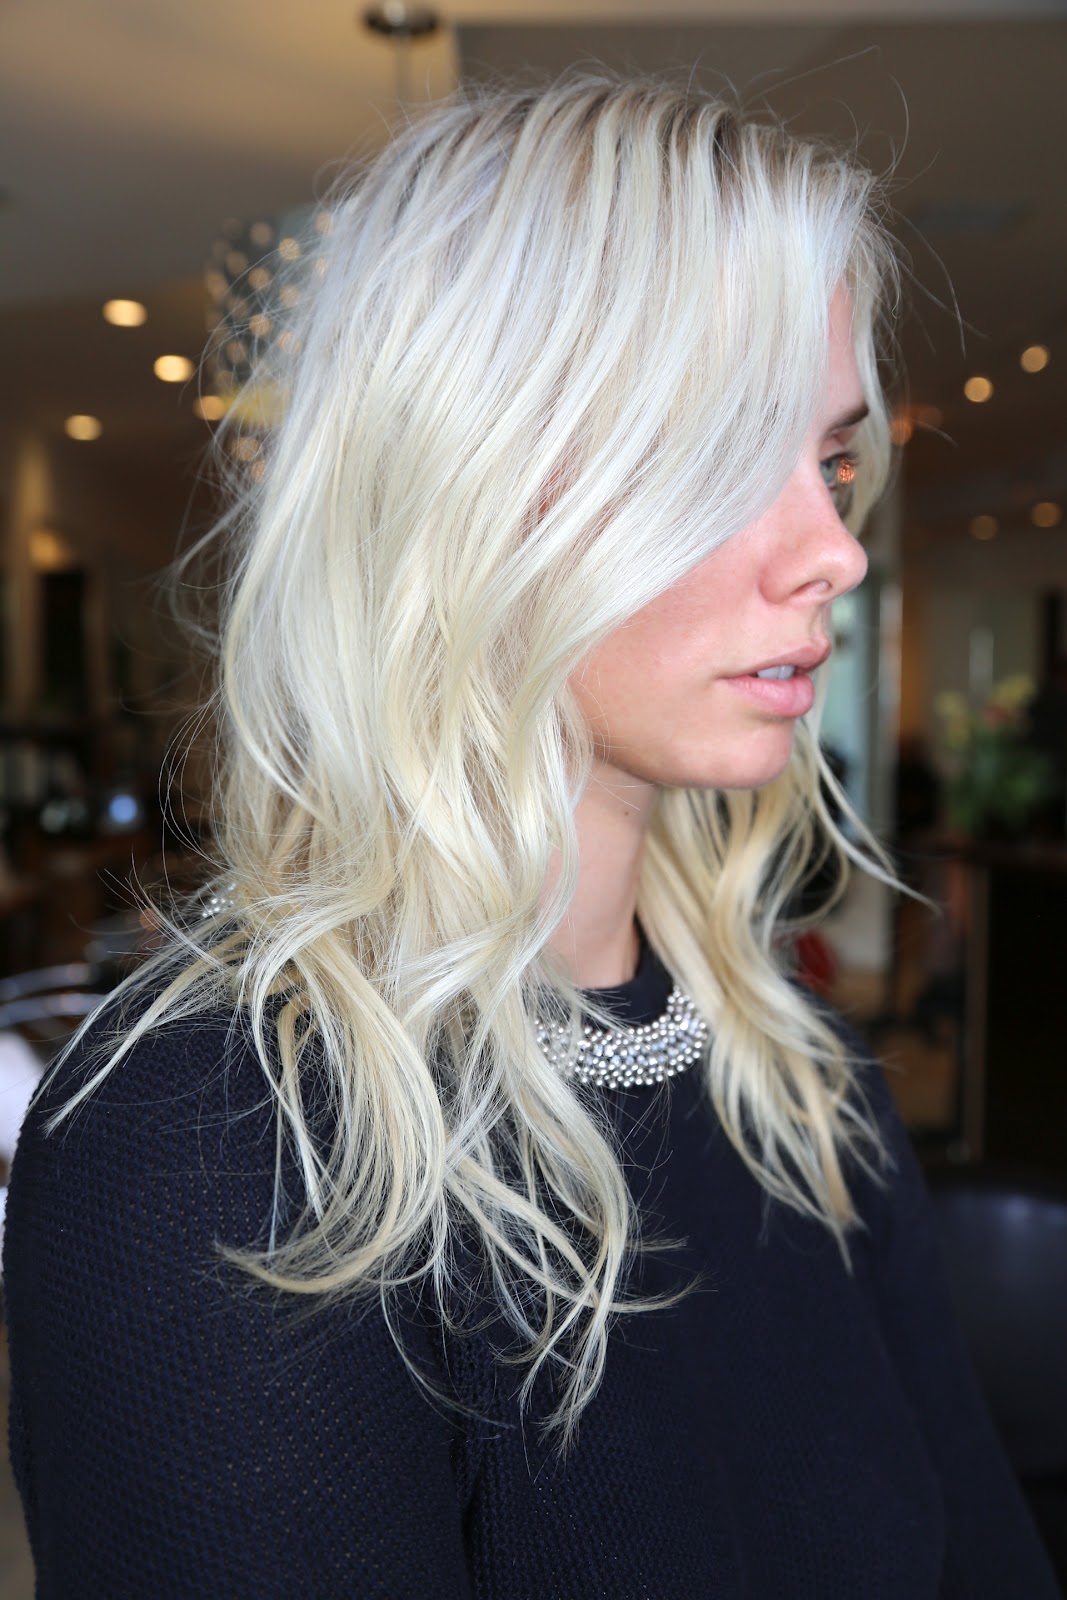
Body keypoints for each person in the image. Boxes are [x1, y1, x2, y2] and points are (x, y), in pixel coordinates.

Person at [4, 76, 1059, 1598]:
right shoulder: (212, 1146)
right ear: (468, 488)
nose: (833, 547)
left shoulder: (799, 1082)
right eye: (722, 455)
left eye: (829, 459)